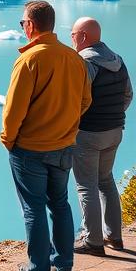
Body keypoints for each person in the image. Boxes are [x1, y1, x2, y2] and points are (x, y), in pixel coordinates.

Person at [0, 0, 91, 271]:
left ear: (30, 25)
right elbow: (85, 101)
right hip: (64, 146)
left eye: (22, 22)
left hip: (29, 149)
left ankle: (37, 266)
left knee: (34, 208)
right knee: (60, 204)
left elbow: (13, 110)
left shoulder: (29, 59)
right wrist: (66, 126)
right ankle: (64, 263)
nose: (22, 27)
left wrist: (8, 140)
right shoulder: (74, 58)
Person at [70, 17, 132, 255]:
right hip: (115, 131)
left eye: (73, 34)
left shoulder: (84, 64)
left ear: (83, 37)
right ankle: (114, 237)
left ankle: (93, 241)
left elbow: (76, 101)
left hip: (88, 133)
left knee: (86, 186)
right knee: (106, 181)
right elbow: (127, 96)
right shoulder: (118, 60)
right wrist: (111, 117)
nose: (72, 38)